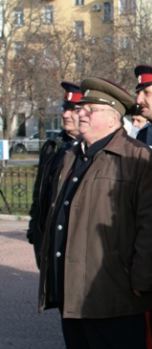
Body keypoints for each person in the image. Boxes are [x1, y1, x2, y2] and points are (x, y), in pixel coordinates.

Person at [37, 77, 152, 349]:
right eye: (81, 108)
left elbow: (150, 226)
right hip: (72, 293)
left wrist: (141, 282)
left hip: (114, 296)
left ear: (111, 117)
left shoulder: (139, 158)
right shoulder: (71, 156)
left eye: (88, 109)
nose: (79, 113)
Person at [28, 81, 82, 267]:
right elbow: (39, 192)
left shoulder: (93, 151)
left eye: (73, 109)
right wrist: (34, 226)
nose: (65, 114)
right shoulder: (53, 147)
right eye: (65, 107)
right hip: (47, 236)